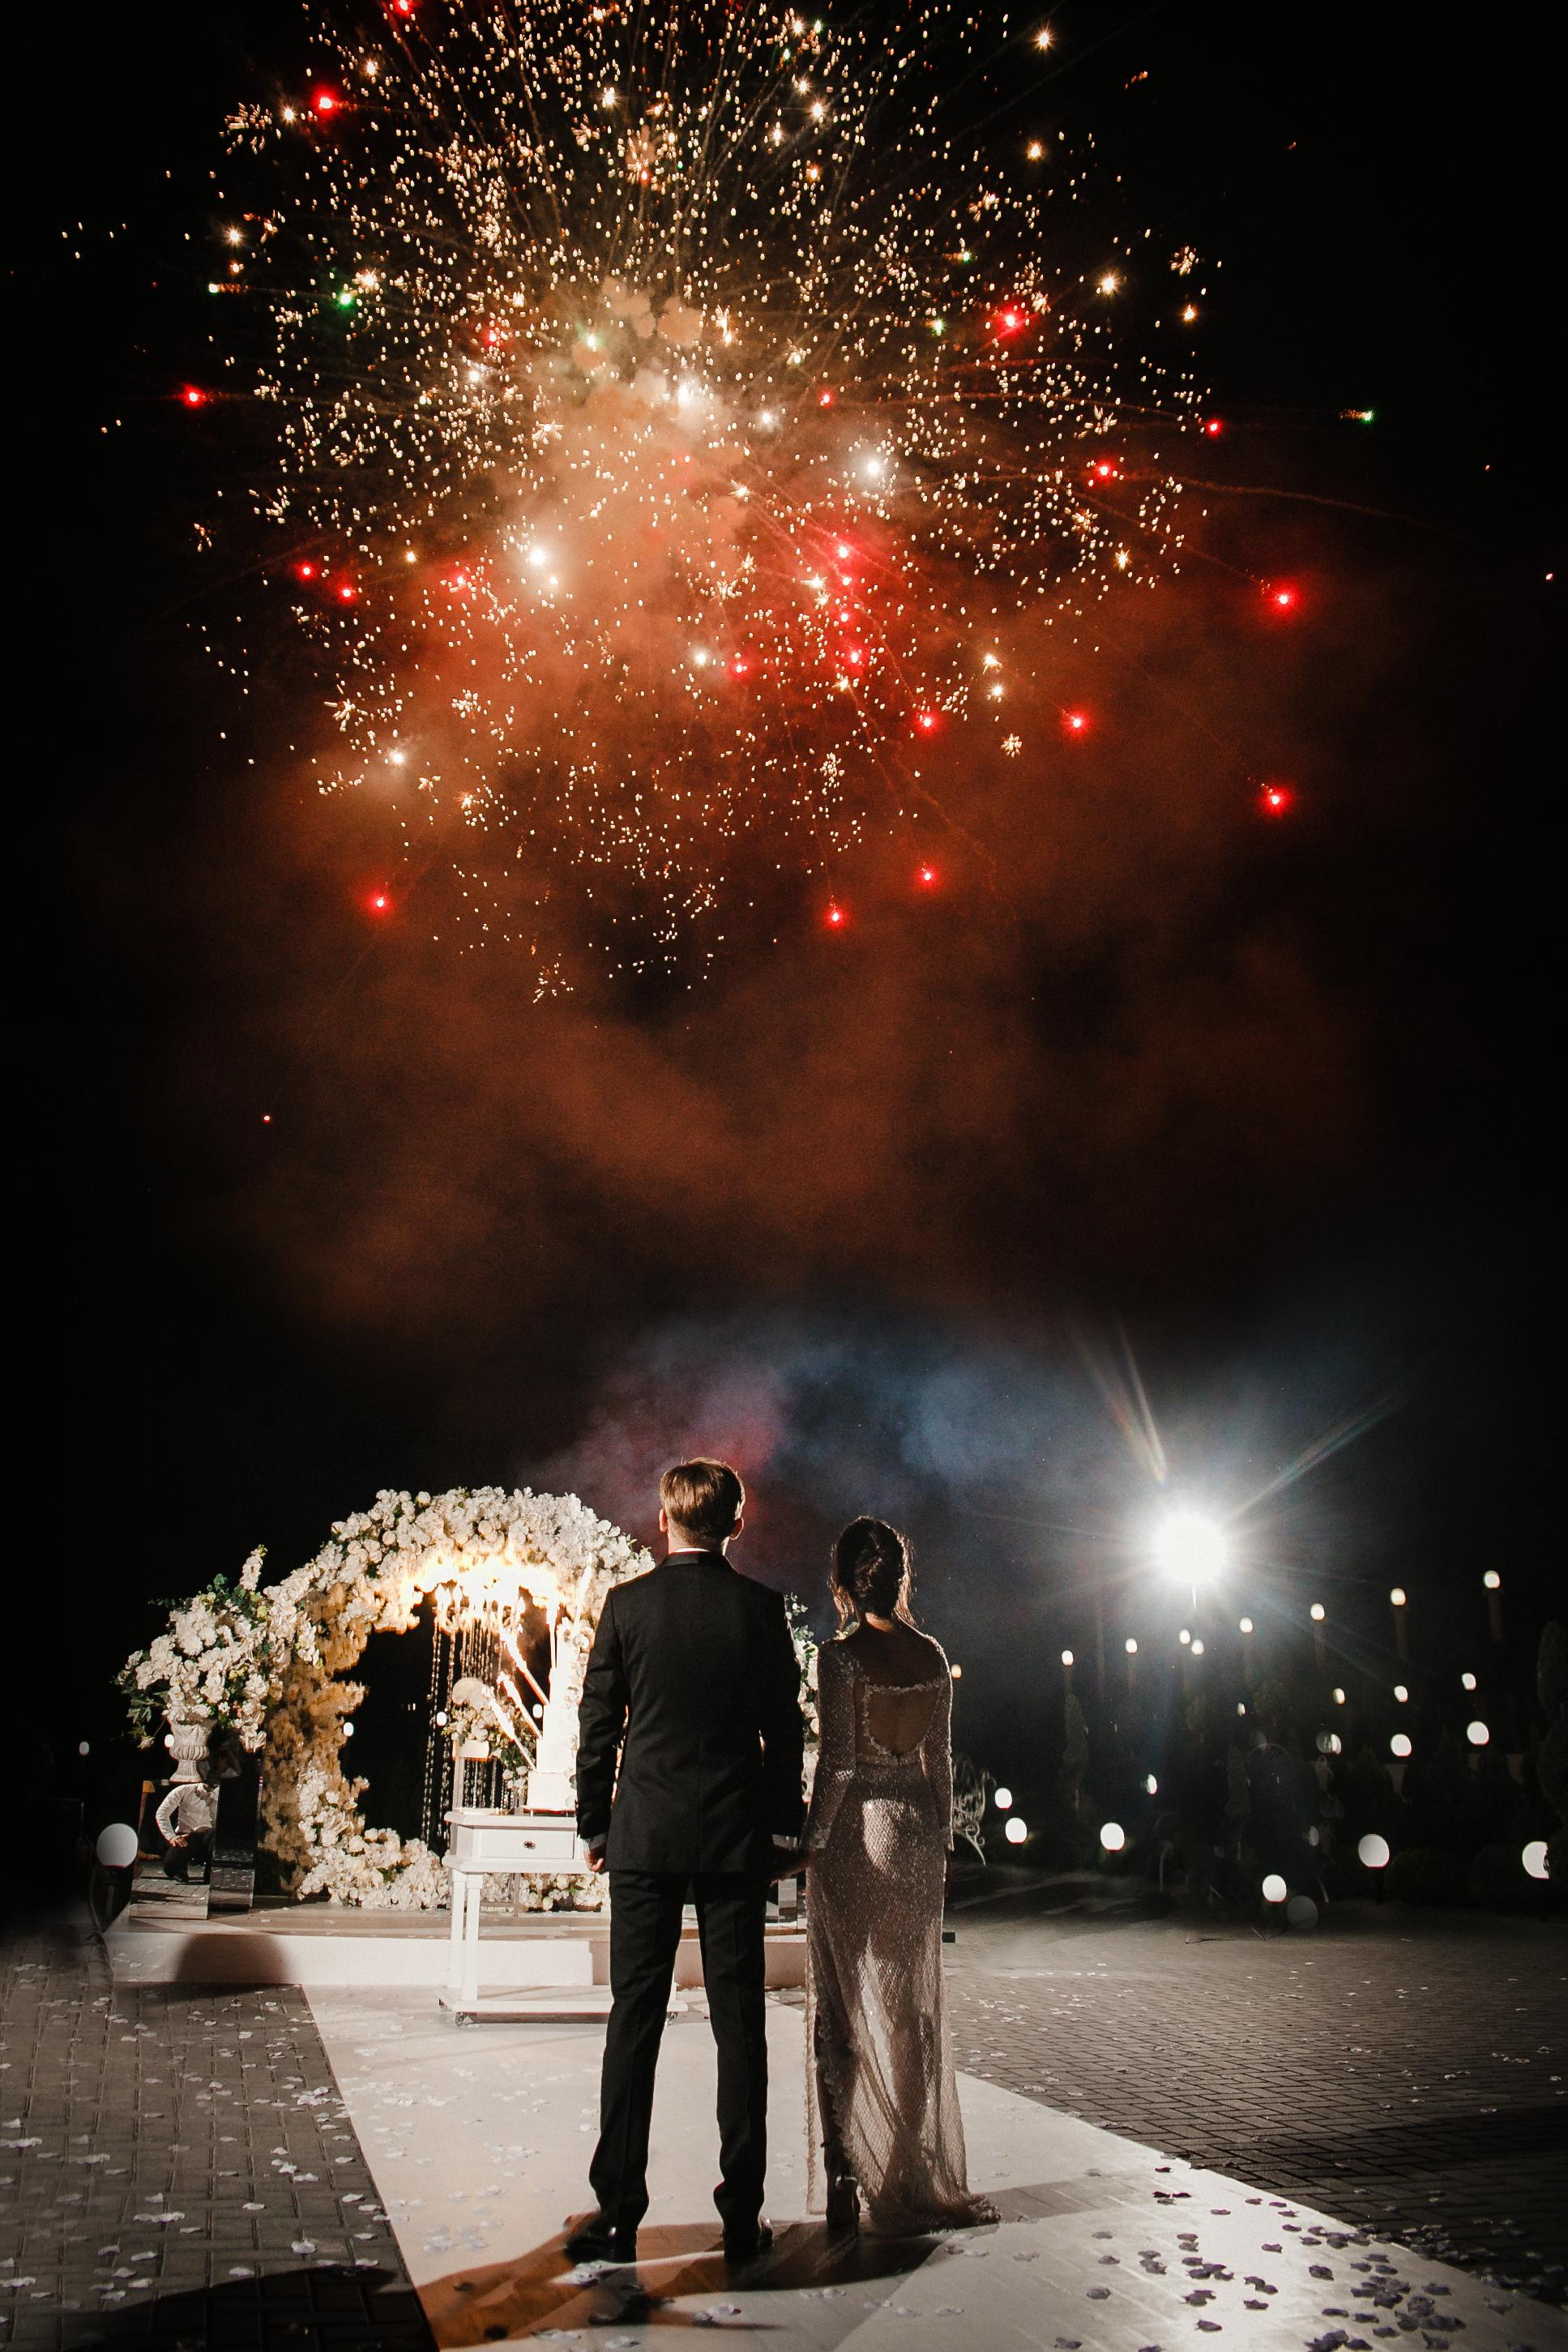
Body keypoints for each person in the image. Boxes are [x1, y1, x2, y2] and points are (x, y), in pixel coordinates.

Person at [569, 1459, 805, 2269]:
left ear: (662, 1517)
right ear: (735, 1523)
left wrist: (594, 1821)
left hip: (644, 1836)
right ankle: (742, 2217)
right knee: (740, 2027)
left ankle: (618, 2215)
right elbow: (786, 1732)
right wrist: (781, 1830)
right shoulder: (761, 1609)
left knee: (634, 2021)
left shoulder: (627, 1605)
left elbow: (598, 1723)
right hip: (735, 1837)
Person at [805, 1517, 996, 2236]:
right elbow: (940, 1762)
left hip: (857, 1832)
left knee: (840, 2007)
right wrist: (940, 1843)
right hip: (916, 1833)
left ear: (845, 1581)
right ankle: (908, 2169)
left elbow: (839, 1764)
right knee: (909, 2007)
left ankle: (839, 2173)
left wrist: (810, 1841)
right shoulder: (930, 1653)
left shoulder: (840, 1659)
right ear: (899, 1578)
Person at [154, 1775, 217, 1881]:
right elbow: (162, 1813)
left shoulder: (223, 1793)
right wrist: (171, 1837)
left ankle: (210, 1868)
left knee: (215, 1834)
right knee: (170, 1868)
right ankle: (181, 1869)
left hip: (209, 1837)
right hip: (187, 1836)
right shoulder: (184, 1790)